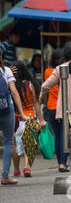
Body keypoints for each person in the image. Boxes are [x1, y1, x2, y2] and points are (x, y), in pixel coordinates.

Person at [11, 61, 46, 178]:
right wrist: (41, 120)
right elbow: (36, 103)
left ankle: (16, 170)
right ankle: (26, 167)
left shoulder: (11, 84)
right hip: (30, 117)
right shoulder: (30, 85)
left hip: (15, 117)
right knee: (29, 143)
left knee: (15, 144)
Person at [0, 51, 29, 185]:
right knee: (8, 142)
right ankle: (5, 176)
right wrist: (22, 114)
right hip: (6, 110)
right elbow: (14, 92)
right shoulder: (6, 70)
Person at [42, 49, 69, 172]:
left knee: (58, 136)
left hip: (50, 107)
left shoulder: (47, 72)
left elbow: (46, 88)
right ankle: (63, 163)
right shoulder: (64, 70)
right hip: (62, 108)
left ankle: (60, 163)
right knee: (64, 136)